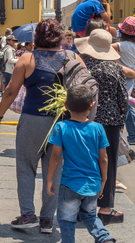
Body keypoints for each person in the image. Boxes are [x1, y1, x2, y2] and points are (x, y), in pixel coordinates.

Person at [0, 19, 87, 234]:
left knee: (26, 167)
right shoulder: (73, 58)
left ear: (36, 38)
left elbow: (10, 92)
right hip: (63, 122)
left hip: (33, 120)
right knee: (56, 170)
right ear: (61, 36)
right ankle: (47, 220)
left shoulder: (27, 59)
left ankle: (27, 215)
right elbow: (85, 89)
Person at [47, 85, 115, 243]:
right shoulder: (98, 128)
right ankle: (104, 238)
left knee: (66, 221)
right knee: (90, 216)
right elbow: (103, 158)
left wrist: (50, 179)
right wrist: (103, 180)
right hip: (92, 185)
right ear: (92, 105)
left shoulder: (61, 127)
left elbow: (55, 156)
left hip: (69, 184)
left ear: (65, 105)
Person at [76, 29, 127, 225]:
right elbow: (123, 99)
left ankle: (82, 208)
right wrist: (121, 120)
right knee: (109, 163)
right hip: (111, 123)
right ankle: (105, 209)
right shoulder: (116, 69)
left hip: (87, 120)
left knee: (85, 163)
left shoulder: (85, 68)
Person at [112, 16, 135, 145]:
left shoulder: (125, 45)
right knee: (126, 106)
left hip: (125, 78)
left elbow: (108, 47)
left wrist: (117, 61)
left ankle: (119, 136)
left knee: (123, 106)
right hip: (133, 79)